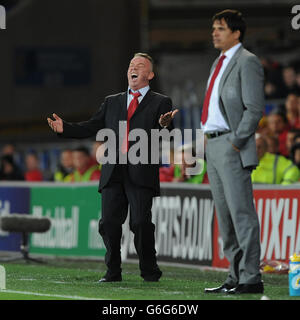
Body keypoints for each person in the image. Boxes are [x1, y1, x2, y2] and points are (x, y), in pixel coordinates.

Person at [47, 53, 177, 283]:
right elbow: (92, 126)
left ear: (150, 74)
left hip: (141, 171)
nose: (133, 68)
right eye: (130, 65)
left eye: (140, 65)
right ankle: (112, 272)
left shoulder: (160, 102)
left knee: (140, 223)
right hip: (113, 170)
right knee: (108, 223)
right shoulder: (112, 101)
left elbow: (168, 132)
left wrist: (164, 124)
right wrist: (64, 128)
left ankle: (149, 271)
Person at [201, 10, 264, 294]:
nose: (215, 33)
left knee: (241, 214)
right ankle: (234, 275)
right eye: (214, 28)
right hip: (212, 144)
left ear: (236, 33)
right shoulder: (219, 61)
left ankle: (251, 277)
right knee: (224, 216)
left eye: (221, 29)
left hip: (230, 144)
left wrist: (237, 141)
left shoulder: (247, 62)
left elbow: (254, 108)